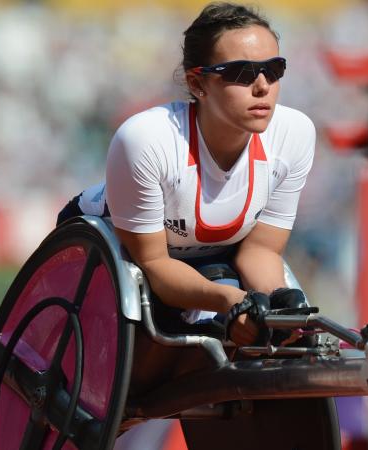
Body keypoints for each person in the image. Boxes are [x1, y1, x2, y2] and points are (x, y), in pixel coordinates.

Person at [58, 2, 315, 348]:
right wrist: (229, 302)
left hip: (212, 259)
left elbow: (260, 252)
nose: (262, 86)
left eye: (273, 69)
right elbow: (153, 263)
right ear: (198, 84)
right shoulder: (145, 140)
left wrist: (276, 301)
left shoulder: (295, 134)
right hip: (120, 252)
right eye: (241, 72)